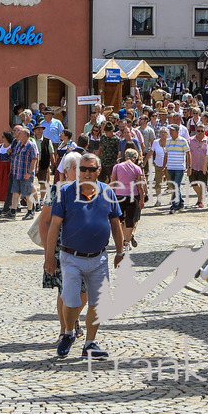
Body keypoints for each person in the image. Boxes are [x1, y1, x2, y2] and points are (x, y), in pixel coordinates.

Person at [44, 153, 125, 359]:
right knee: (70, 301)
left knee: (97, 303)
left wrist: (120, 251)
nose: (87, 173)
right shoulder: (65, 192)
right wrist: (49, 258)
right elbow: (53, 227)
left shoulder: (107, 192)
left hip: (99, 257)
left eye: (91, 169)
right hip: (71, 257)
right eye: (83, 169)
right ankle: (68, 332)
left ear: (99, 171)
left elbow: (115, 223)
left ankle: (90, 343)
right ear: (77, 171)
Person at [39, 151, 86, 346]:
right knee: (65, 290)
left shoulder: (90, 189)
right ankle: (64, 330)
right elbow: (44, 222)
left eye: (82, 168)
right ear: (66, 171)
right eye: (75, 168)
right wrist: (48, 252)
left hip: (86, 248)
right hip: (62, 248)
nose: (80, 171)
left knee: (85, 292)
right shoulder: (57, 190)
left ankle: (73, 319)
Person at [110, 148, 145, 249]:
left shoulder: (116, 167)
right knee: (130, 219)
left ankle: (120, 240)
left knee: (119, 219)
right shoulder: (137, 168)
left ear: (125, 156)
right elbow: (140, 186)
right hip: (132, 196)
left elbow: (113, 183)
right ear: (135, 158)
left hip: (119, 196)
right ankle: (126, 242)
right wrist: (141, 199)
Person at [7, 126, 38, 219]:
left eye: (20, 133)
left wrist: (29, 172)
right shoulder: (18, 144)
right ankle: (13, 211)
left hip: (26, 174)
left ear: (25, 135)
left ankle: (30, 211)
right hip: (17, 173)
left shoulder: (31, 145)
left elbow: (34, 159)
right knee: (15, 192)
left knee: (28, 193)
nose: (18, 135)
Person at [165, 124, 191, 213]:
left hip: (179, 167)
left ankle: (175, 204)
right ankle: (180, 202)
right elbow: (166, 154)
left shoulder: (183, 141)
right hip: (170, 167)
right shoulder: (168, 141)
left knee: (176, 185)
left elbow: (188, 154)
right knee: (174, 186)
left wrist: (189, 166)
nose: (170, 132)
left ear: (177, 131)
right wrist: (164, 165)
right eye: (170, 130)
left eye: (172, 130)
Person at [188, 124, 208, 208]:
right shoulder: (190, 140)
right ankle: (200, 196)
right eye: (198, 131)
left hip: (203, 166)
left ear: (204, 131)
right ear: (196, 131)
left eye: (202, 131)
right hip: (192, 166)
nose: (200, 133)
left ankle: (200, 200)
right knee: (193, 183)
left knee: (203, 184)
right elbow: (187, 154)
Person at [149, 127, 170, 206]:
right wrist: (144, 161)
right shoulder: (155, 142)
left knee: (170, 182)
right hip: (158, 165)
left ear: (168, 134)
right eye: (161, 132)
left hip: (169, 165)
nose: (163, 134)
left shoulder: (170, 142)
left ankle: (172, 199)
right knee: (158, 183)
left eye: (165, 132)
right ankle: (158, 200)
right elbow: (151, 152)